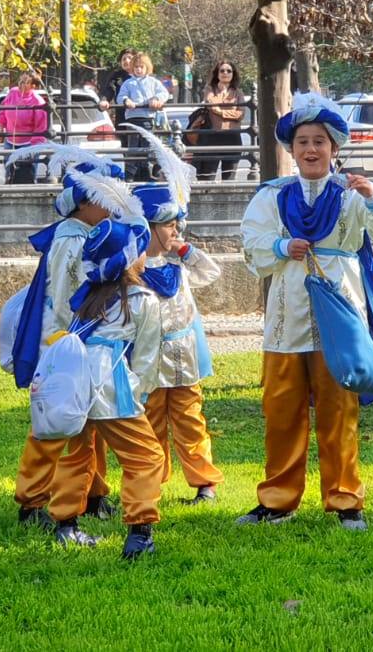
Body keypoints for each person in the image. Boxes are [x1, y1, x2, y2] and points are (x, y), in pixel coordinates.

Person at [238, 93, 373, 531]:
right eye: (302, 142)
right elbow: (251, 244)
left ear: (335, 148)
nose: (311, 150)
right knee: (281, 410)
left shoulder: (351, 193)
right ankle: (277, 500)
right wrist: (280, 247)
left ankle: (345, 499)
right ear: (291, 150)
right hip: (286, 316)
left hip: (339, 311)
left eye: (320, 141)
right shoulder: (272, 196)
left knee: (339, 408)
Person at [3, 153, 131, 530]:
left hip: (86, 341)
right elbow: (65, 296)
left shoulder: (87, 235)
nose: (115, 208)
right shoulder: (68, 241)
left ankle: (92, 493)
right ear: (88, 202)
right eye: (109, 200)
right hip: (64, 343)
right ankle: (32, 501)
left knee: (92, 423)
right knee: (55, 426)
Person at [46, 218, 168, 559]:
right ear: (131, 258)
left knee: (77, 454)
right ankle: (140, 534)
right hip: (112, 385)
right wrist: (139, 395)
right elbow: (146, 359)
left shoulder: (88, 295)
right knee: (145, 456)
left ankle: (66, 527)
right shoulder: (143, 299)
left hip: (75, 385)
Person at [134, 182, 223, 504]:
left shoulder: (180, 264)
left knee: (190, 421)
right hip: (149, 359)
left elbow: (211, 273)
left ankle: (205, 484)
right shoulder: (134, 267)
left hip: (184, 356)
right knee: (150, 421)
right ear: (150, 226)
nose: (176, 230)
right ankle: (151, 482)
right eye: (169, 225)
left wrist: (185, 250)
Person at [116, 52, 171, 180]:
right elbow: (120, 97)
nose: (139, 70)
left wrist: (157, 99)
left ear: (147, 68)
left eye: (141, 67)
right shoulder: (128, 83)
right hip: (132, 118)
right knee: (133, 146)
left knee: (147, 145)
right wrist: (126, 101)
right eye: (136, 67)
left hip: (148, 118)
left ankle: (145, 171)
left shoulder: (153, 82)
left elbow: (164, 93)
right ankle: (131, 173)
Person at [191, 60, 247, 181]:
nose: (225, 73)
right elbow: (211, 104)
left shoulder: (238, 92)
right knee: (207, 177)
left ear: (233, 74)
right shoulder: (210, 89)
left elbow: (240, 114)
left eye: (229, 71)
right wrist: (229, 112)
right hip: (212, 136)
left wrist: (220, 112)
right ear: (217, 73)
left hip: (232, 137)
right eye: (222, 70)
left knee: (229, 177)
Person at [0, 70, 49, 184]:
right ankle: (8, 190)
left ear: (33, 86)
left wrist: (33, 147)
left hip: (28, 143)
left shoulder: (37, 101)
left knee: (28, 174)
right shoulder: (12, 93)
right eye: (20, 80)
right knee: (9, 172)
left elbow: (40, 127)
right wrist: (1, 129)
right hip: (10, 140)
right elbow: (3, 111)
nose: (21, 84)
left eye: (25, 82)